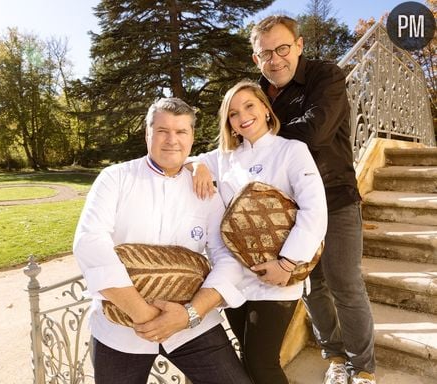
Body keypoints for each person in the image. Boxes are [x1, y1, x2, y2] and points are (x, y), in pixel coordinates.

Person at [72, 97, 252, 384]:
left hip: (192, 323)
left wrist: (189, 314)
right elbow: (89, 242)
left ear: (192, 137)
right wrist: (142, 313)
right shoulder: (114, 178)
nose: (172, 140)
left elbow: (227, 256)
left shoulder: (204, 190)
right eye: (162, 131)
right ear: (147, 133)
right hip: (122, 326)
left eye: (181, 132)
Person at [250, 15, 376, 384]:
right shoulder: (256, 94)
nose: (275, 59)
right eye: (265, 53)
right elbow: (237, 135)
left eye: (282, 48)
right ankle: (335, 357)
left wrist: (261, 135)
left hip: (334, 198)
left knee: (345, 284)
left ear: (299, 45)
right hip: (289, 210)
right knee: (312, 286)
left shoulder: (326, 76)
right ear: (256, 59)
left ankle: (364, 368)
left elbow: (316, 130)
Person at [189, 80, 328, 384]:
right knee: (246, 361)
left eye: (249, 106)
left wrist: (287, 264)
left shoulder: (292, 151)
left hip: (278, 276)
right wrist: (199, 165)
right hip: (236, 277)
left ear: (266, 108)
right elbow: (185, 159)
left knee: (261, 363)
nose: (242, 116)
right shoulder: (222, 158)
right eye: (233, 113)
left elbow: (315, 210)